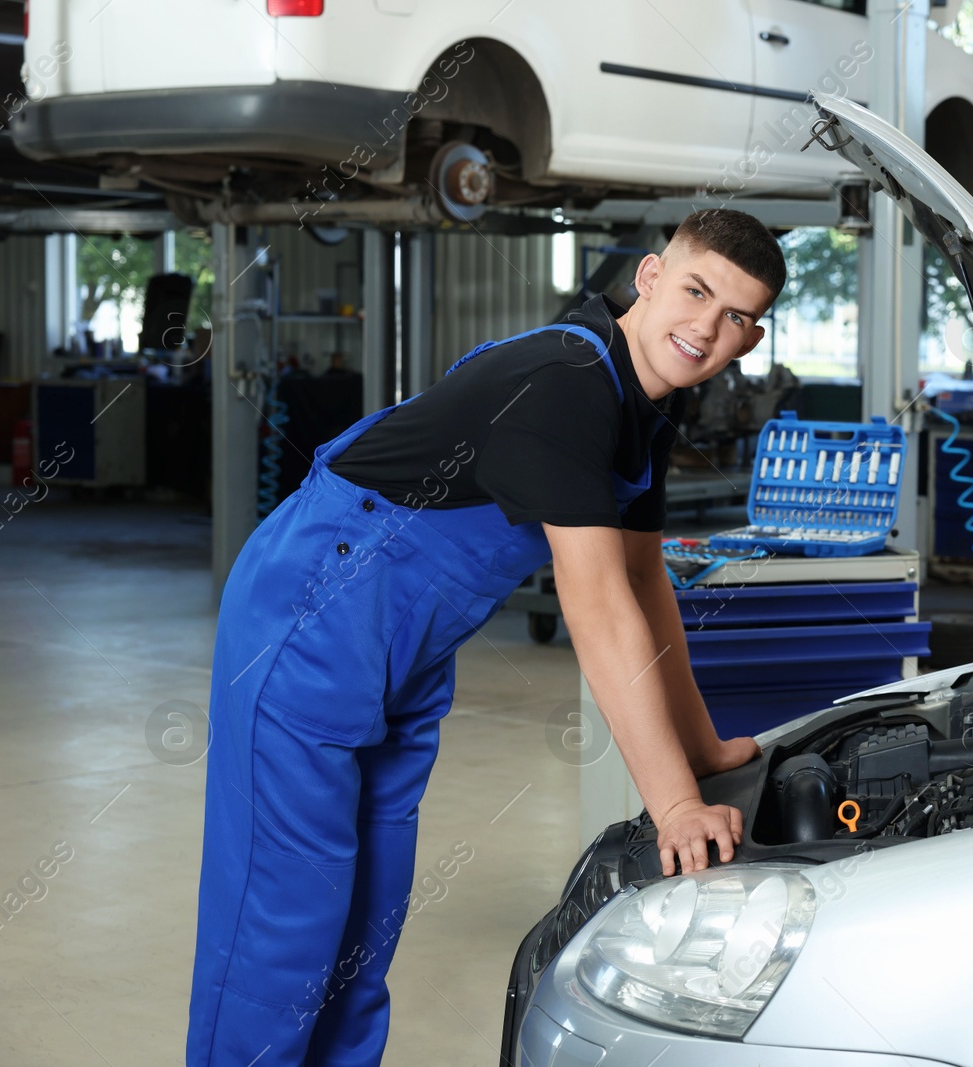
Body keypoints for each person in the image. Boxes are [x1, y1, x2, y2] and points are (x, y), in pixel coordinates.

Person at [186, 209, 785, 1066]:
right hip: (311, 612)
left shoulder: (644, 410)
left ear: (751, 337)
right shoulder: (565, 382)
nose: (705, 327)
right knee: (284, 917)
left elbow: (645, 583)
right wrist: (674, 806)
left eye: (734, 316)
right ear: (649, 278)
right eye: (696, 291)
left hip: (405, 650)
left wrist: (701, 747)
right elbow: (597, 606)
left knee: (366, 916)